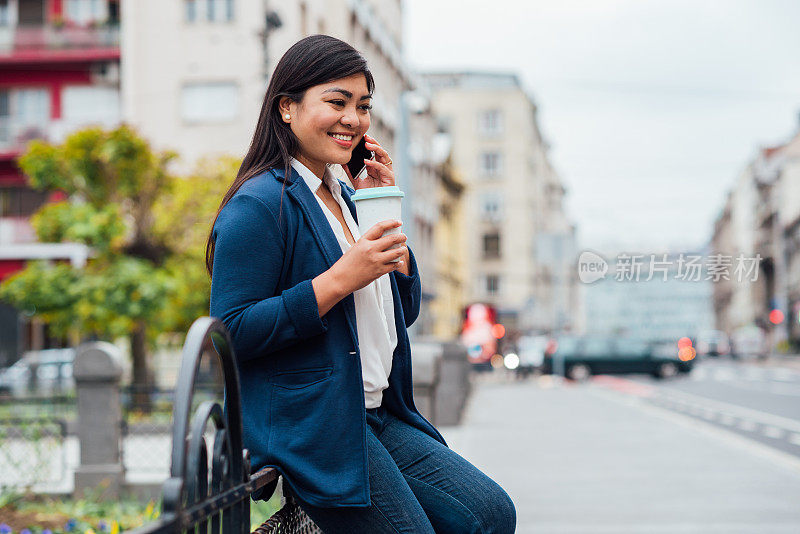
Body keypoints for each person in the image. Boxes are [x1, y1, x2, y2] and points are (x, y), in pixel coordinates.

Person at [207, 34, 516, 533]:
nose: (353, 118)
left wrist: (381, 209)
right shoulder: (260, 203)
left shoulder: (346, 198)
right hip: (311, 423)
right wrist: (336, 281)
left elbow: (399, 310)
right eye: (337, 102)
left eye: (363, 106)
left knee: (491, 515)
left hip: (374, 412)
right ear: (287, 108)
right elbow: (232, 331)